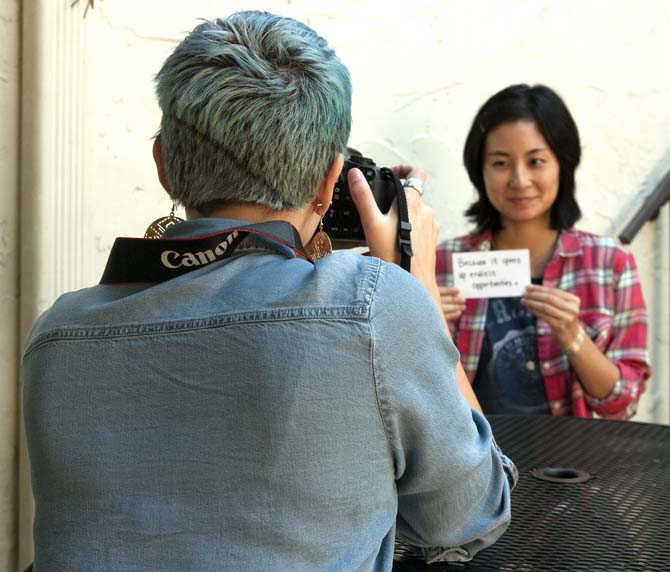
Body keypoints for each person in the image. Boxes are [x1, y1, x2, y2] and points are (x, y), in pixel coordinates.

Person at [21, 11, 516, 572]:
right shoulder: (374, 306)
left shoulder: (56, 333)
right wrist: (415, 283)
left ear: (163, 165)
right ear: (331, 182)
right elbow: (471, 514)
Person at [436, 84, 651, 419]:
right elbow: (410, 396)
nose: (520, 180)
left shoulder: (610, 263)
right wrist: (421, 328)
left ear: (562, 164)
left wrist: (572, 334)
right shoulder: (439, 262)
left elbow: (622, 404)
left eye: (536, 161)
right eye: (501, 163)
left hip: (574, 466)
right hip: (470, 464)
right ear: (480, 169)